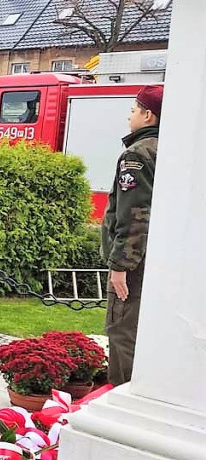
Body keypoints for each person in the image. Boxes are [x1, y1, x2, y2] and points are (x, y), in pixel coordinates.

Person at [100, 85, 162, 387]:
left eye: (134, 110)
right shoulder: (171, 149)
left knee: (122, 331)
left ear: (148, 115)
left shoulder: (138, 154)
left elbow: (134, 214)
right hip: (158, 261)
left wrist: (121, 266)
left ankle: (121, 398)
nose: (129, 116)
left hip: (135, 266)